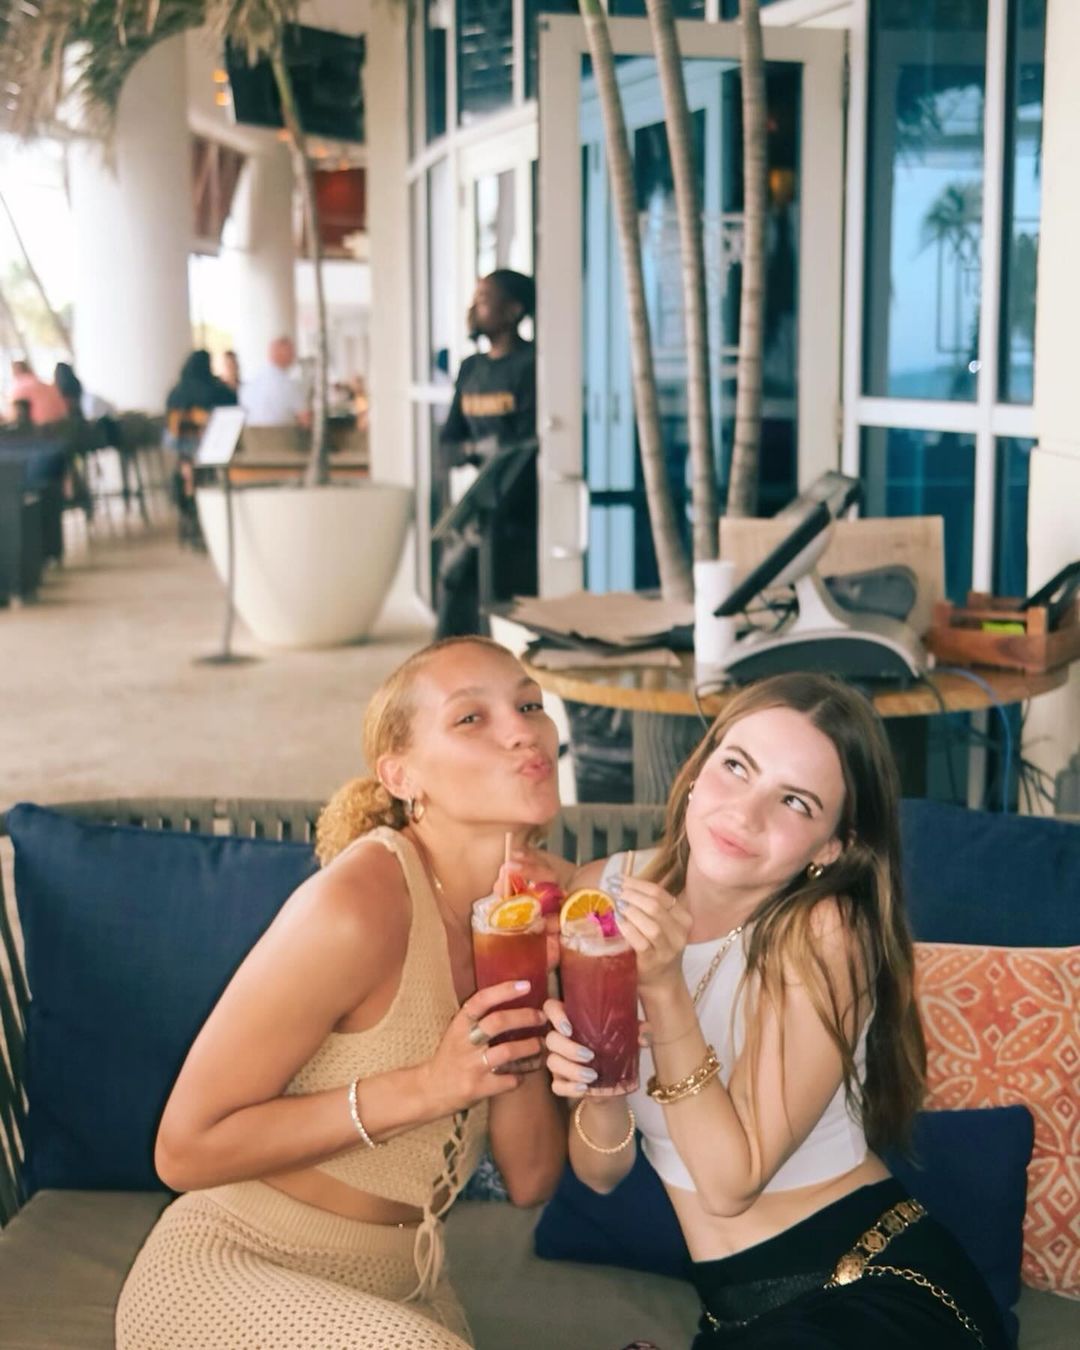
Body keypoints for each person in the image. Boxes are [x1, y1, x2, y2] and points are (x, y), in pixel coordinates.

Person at [116, 636, 569, 1349]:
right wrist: (429, 1086)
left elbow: (532, 1177)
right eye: (470, 717)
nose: (523, 730)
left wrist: (522, 981)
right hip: (229, 1269)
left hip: (405, 1290)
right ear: (401, 775)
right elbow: (183, 1150)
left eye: (530, 705)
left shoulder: (525, 911)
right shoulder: (359, 905)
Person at [545, 672, 1007, 1350]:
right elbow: (600, 1172)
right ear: (698, 770)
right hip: (744, 1319)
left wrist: (665, 989)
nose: (746, 812)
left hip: (876, 1291)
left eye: (794, 801)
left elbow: (729, 1186)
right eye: (737, 767)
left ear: (832, 846)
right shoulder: (604, 896)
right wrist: (602, 1089)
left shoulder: (825, 933)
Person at [436, 270, 537, 639]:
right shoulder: (471, 369)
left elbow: (528, 443)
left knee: (506, 609)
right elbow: (449, 441)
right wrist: (473, 450)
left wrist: (480, 452)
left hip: (519, 515)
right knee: (456, 598)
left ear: (513, 310)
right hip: (475, 510)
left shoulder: (531, 365)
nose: (473, 309)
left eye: (483, 299)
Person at [165, 350, 237, 548]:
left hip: (184, 451)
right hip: (210, 451)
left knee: (186, 466)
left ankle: (188, 499)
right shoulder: (215, 390)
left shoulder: (176, 393)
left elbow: (171, 429)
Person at [240, 335, 311, 428]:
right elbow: (306, 421)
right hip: (283, 436)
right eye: (291, 352)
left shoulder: (249, 384)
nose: (294, 356)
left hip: (253, 436)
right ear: (280, 354)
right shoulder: (289, 386)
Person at [7, 358, 67, 425]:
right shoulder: (43, 383)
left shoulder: (20, 385)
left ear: (14, 372)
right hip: (63, 420)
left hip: (44, 424)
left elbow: (15, 414)